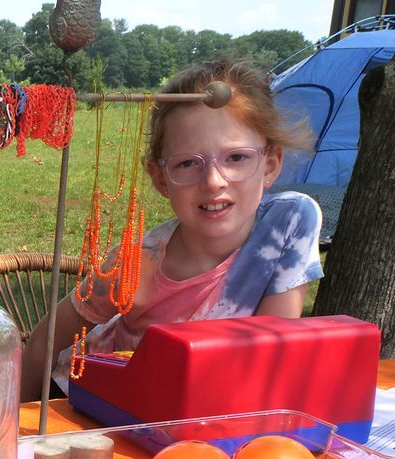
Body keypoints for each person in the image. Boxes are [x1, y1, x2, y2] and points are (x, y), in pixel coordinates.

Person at [21, 58, 323, 402]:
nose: (213, 181)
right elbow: (45, 342)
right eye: (188, 163)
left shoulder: (289, 223)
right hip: (97, 410)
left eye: (236, 158)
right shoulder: (135, 266)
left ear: (270, 164)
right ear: (161, 179)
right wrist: (19, 422)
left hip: (205, 419)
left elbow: (268, 353)